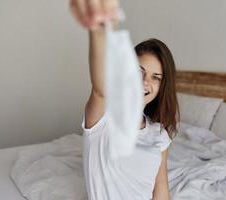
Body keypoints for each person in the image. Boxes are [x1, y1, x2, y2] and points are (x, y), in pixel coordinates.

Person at [70, 0, 180, 199]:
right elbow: (101, 90)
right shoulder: (104, 118)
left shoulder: (160, 133)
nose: (146, 82)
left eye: (156, 78)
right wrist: (99, 27)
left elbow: (161, 189)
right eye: (140, 72)